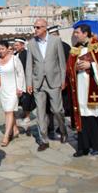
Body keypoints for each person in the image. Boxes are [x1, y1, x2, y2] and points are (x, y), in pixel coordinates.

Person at [66, 24, 98, 157]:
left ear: (85, 33)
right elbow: (69, 70)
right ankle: (83, 147)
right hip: (80, 89)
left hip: (96, 88)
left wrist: (92, 65)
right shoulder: (75, 50)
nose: (75, 35)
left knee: (97, 116)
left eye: (77, 32)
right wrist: (74, 69)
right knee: (83, 117)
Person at [26, 19, 67, 151]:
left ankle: (63, 130)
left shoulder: (55, 41)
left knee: (57, 110)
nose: (35, 29)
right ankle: (44, 139)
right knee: (40, 113)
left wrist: (63, 79)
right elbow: (29, 65)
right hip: (38, 82)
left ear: (45, 28)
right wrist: (29, 83)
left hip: (54, 80)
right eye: (34, 27)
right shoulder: (31, 44)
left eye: (38, 27)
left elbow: (61, 62)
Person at [0, 41, 25, 146]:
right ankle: (15, 129)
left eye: (2, 48)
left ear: (7, 48)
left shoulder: (14, 59)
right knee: (8, 112)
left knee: (9, 111)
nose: (0, 51)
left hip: (13, 90)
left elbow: (21, 73)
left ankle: (6, 136)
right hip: (2, 90)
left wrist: (20, 88)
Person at [14, 37, 33, 135]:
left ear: (22, 45)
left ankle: (27, 116)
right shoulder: (15, 54)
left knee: (27, 99)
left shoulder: (26, 54)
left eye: (17, 45)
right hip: (18, 80)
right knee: (22, 99)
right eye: (15, 45)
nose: (15, 47)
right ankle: (24, 113)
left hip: (26, 80)